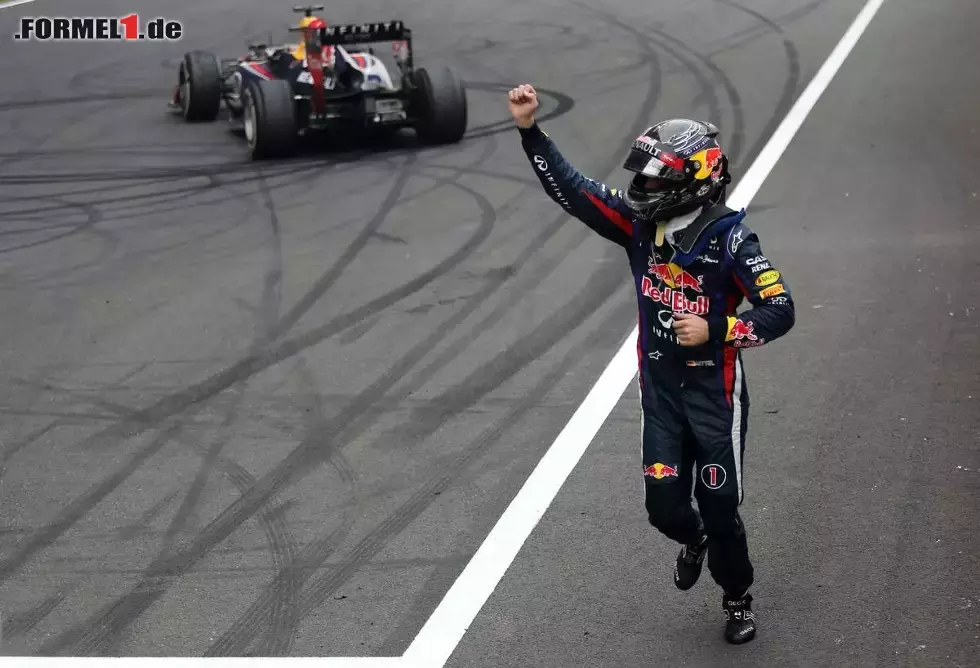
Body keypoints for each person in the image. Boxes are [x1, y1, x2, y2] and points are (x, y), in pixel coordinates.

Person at [508, 83, 795, 644]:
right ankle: (693, 541)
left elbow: (780, 310)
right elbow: (574, 191)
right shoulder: (637, 226)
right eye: (643, 177)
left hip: (715, 398)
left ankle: (737, 597)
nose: (642, 188)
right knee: (664, 510)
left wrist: (718, 329)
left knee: (720, 510)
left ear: (693, 181)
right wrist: (529, 130)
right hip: (660, 396)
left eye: (656, 180)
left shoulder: (733, 239)